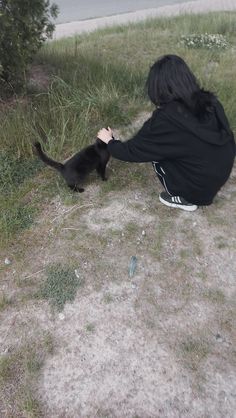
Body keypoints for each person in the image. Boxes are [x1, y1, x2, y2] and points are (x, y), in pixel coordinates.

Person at [97, 55, 235, 212]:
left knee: (156, 155)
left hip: (198, 190)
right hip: (222, 172)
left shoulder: (165, 120)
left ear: (157, 87)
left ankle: (183, 198)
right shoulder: (211, 101)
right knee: (178, 147)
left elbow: (132, 151)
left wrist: (109, 141)